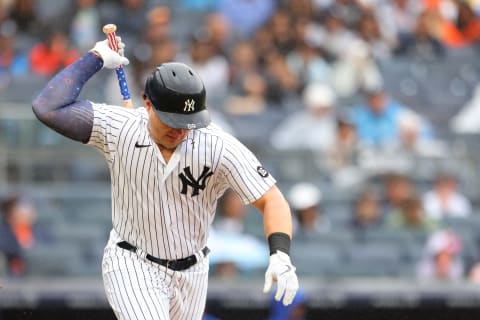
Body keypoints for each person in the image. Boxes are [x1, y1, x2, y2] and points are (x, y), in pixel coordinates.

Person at [32, 36, 298, 319]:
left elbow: (271, 199)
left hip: (193, 272)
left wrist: (280, 254)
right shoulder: (121, 127)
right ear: (148, 104)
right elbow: (47, 107)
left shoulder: (218, 144)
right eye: (172, 121)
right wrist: (95, 58)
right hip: (133, 261)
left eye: (188, 122)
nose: (181, 130)